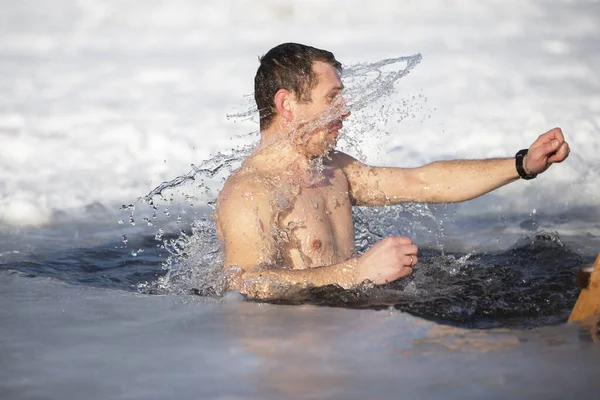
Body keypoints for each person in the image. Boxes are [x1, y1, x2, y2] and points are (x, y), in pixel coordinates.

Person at [215, 42, 570, 299]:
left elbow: (423, 182)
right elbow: (246, 282)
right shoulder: (250, 192)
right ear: (286, 104)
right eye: (332, 98)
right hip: (297, 349)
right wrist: (356, 272)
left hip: (344, 328)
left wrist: (522, 164)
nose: (345, 111)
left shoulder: (332, 171)